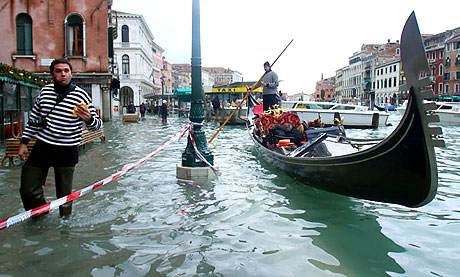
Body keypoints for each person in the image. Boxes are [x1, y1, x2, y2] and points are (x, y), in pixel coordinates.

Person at [18, 58, 102, 219]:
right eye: (58, 71)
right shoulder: (45, 92)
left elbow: (97, 126)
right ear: (52, 74)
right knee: (27, 189)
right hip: (42, 145)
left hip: (67, 148)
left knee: (64, 197)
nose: (63, 74)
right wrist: (24, 143)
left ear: (71, 74)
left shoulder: (81, 96)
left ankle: (64, 226)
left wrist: (89, 118)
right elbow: (34, 120)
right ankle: (40, 216)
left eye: (66, 71)